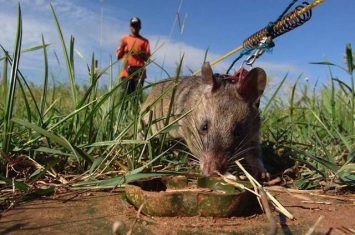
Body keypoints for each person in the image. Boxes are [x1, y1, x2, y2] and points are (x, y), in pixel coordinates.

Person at [116, 17, 151, 99]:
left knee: (137, 98)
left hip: (139, 71)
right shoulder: (124, 39)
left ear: (140, 27)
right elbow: (118, 56)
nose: (134, 27)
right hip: (126, 71)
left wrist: (138, 53)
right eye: (133, 25)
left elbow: (148, 59)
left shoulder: (145, 41)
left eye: (136, 25)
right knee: (124, 97)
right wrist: (122, 47)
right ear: (130, 26)